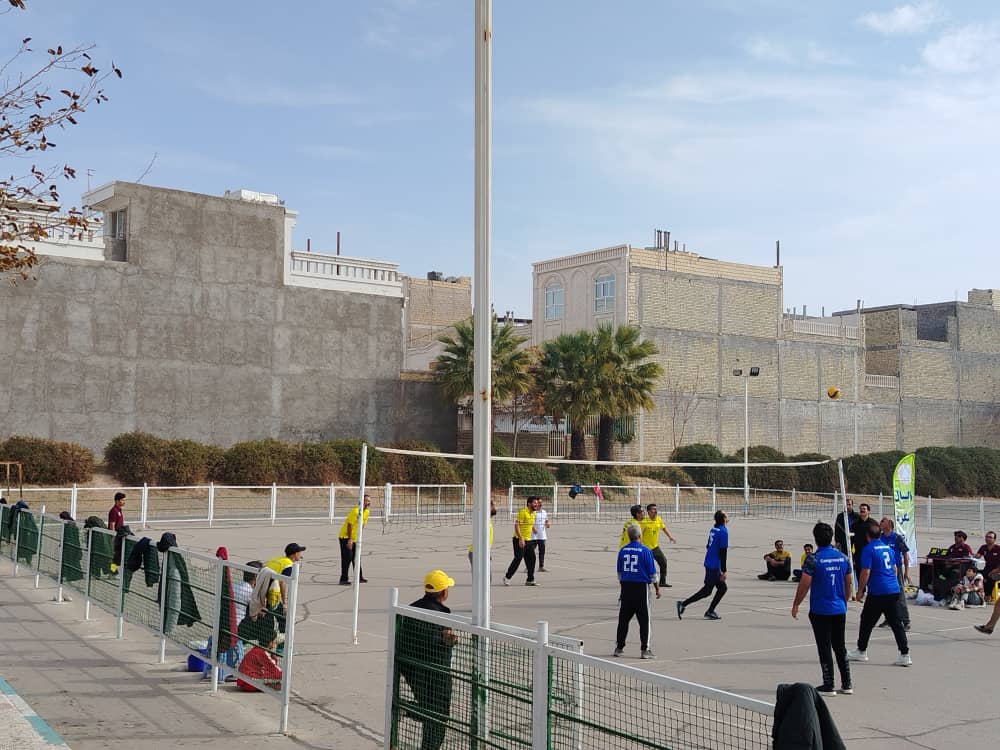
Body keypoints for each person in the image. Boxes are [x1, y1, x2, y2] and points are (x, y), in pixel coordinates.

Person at [791, 522, 853, 697]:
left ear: (816, 539)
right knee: (840, 646)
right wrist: (844, 600)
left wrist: (796, 604)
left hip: (821, 610)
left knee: (824, 646)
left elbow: (804, 584)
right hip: (839, 608)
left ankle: (829, 684)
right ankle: (847, 683)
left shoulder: (814, 559)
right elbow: (849, 582)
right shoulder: (843, 557)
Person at [397, 570, 457, 750]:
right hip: (435, 671)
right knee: (438, 715)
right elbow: (433, 641)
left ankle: (407, 708)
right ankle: (407, 709)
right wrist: (447, 641)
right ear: (444, 592)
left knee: (429, 708)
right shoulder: (439, 614)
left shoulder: (412, 608)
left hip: (410, 667)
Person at [847, 519, 911, 667]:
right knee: (896, 623)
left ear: (867, 536)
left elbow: (866, 571)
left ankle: (861, 651)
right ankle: (905, 654)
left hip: (878, 592)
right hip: (892, 589)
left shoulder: (868, 549)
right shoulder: (888, 548)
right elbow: (894, 569)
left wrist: (860, 590)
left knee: (866, 621)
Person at [615, 523, 660, 659]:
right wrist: (657, 588)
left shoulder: (623, 551)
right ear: (640, 535)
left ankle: (619, 647)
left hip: (626, 587)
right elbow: (652, 574)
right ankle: (645, 649)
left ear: (629, 536)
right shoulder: (646, 551)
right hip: (641, 588)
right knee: (644, 619)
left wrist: (623, 587)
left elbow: (619, 573)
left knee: (623, 619)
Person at [677, 510, 729, 621]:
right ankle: (684, 604)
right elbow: (723, 552)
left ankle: (709, 611)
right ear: (724, 519)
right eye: (726, 515)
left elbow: (707, 546)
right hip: (714, 566)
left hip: (709, 562)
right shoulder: (723, 532)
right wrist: (724, 571)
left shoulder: (714, 529)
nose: (728, 517)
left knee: (721, 588)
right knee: (708, 591)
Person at [876, 517, 911, 631]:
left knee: (899, 594)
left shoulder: (897, 538)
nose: (880, 522)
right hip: (883, 569)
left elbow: (905, 554)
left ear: (889, 524)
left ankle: (905, 620)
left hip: (896, 569)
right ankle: (889, 618)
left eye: (883, 521)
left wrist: (906, 572)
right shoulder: (880, 537)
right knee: (886, 595)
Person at [265, 544, 304, 632]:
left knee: (272, 616)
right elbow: (282, 582)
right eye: (299, 552)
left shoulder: (279, 559)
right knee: (281, 618)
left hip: (264, 588)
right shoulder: (288, 565)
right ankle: (282, 638)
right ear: (295, 554)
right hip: (271, 593)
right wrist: (284, 603)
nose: (301, 554)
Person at [236, 626, 283, 692]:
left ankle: (269, 684)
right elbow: (276, 671)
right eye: (274, 641)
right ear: (270, 642)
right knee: (278, 676)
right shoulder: (263, 653)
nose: (275, 644)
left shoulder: (256, 649)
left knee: (268, 673)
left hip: (242, 681)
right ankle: (268, 685)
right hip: (250, 683)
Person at [504, 497, 538, 586]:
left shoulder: (533, 513)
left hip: (528, 540)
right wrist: (520, 538)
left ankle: (530, 579)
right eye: (535, 503)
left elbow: (528, 523)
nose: (536, 504)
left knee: (532, 559)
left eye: (537, 503)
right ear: (529, 504)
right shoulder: (523, 512)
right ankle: (507, 577)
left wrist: (533, 529)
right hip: (518, 539)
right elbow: (516, 526)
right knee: (518, 558)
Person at [641, 503, 676, 587]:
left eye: (656, 509)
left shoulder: (658, 519)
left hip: (655, 547)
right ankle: (643, 580)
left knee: (663, 561)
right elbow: (639, 534)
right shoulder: (644, 521)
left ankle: (662, 582)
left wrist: (670, 537)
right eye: (653, 509)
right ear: (648, 511)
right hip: (646, 548)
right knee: (646, 565)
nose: (655, 510)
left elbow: (663, 528)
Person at [338, 495, 371, 585]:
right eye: (366, 501)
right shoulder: (355, 511)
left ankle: (359, 577)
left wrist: (358, 537)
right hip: (345, 537)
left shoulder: (366, 512)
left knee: (356, 558)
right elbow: (349, 525)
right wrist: (350, 539)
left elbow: (362, 525)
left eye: (369, 501)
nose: (368, 503)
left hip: (355, 538)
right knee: (347, 558)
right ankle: (343, 579)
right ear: (361, 501)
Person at [468, 501, 497, 569]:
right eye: (493, 506)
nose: (495, 508)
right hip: (476, 552)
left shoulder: (488, 520)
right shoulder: (483, 520)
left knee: (488, 575)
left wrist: (488, 552)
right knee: (480, 575)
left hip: (482, 552)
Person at [975, 531, 1000, 602]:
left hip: (997, 570)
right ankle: (978, 594)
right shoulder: (983, 547)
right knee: (976, 575)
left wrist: (994, 571)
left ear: (994, 539)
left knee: (991, 576)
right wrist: (973, 556)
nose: (988, 538)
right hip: (987, 569)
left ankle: (988, 595)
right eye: (986, 537)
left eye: (990, 537)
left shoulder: (998, 548)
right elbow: (977, 556)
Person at [849, 503, 872, 574]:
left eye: (864, 509)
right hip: (858, 553)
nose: (862, 510)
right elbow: (851, 540)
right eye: (861, 509)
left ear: (868, 511)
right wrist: (851, 554)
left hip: (870, 553)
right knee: (859, 573)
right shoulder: (854, 524)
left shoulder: (873, 523)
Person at [531, 497, 550, 571]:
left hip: (542, 536)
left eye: (541, 502)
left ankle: (541, 567)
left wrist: (547, 524)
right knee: (531, 552)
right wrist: (533, 529)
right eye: (539, 502)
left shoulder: (544, 512)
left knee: (542, 552)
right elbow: (530, 523)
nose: (540, 504)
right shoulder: (533, 512)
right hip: (533, 536)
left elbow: (546, 520)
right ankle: (528, 566)